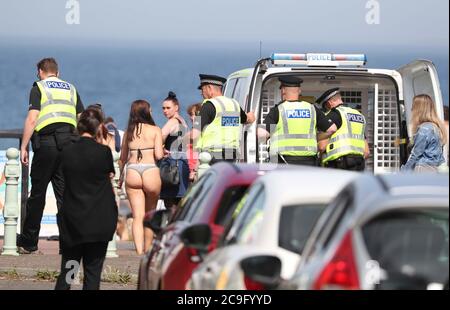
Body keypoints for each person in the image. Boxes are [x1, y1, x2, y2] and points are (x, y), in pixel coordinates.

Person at [18, 58, 84, 254]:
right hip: (69, 144)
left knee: (37, 195)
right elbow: (81, 118)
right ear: (58, 71)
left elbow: (32, 118)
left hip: (46, 145)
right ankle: (69, 244)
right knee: (65, 196)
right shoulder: (71, 88)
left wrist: (23, 146)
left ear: (40, 71)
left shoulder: (39, 87)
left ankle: (29, 243)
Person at [55, 108, 117, 290]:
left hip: (74, 223)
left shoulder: (67, 152)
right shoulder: (103, 152)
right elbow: (109, 175)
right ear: (98, 128)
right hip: (99, 221)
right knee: (92, 274)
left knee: (68, 271)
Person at [257, 77, 337, 165]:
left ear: (283, 90)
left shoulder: (278, 110)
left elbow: (262, 135)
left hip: (283, 162)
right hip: (309, 162)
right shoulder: (312, 108)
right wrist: (315, 138)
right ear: (299, 91)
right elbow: (332, 129)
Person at [119, 100, 164, 255]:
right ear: (146, 112)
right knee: (150, 215)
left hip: (132, 172)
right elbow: (158, 155)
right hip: (150, 170)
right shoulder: (155, 130)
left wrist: (119, 178)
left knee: (137, 216)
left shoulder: (128, 132)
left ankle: (138, 251)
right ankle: (148, 249)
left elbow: (123, 158)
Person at [192, 74, 255, 164]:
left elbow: (195, 134)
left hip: (212, 155)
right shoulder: (234, 104)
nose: (201, 93)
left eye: (202, 89)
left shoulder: (207, 106)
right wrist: (251, 115)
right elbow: (248, 119)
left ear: (210, 88)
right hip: (231, 155)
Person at [317, 88, 369, 171]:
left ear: (329, 103)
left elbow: (322, 146)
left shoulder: (334, 114)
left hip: (339, 163)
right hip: (359, 163)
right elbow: (366, 152)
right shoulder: (359, 115)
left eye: (325, 108)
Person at [159, 92, 190, 211]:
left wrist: (160, 148)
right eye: (163, 108)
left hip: (172, 164)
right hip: (183, 161)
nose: (165, 111)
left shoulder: (172, 122)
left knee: (170, 202)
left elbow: (160, 136)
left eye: (168, 108)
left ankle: (169, 225)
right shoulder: (182, 121)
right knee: (180, 200)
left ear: (176, 107)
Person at [401, 94, 447, 172]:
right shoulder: (436, 127)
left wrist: (404, 170)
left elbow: (415, 154)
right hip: (434, 169)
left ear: (418, 109)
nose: (411, 109)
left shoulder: (424, 129)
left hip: (423, 168)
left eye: (413, 106)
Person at [186, 103, 202, 182]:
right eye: (190, 115)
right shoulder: (194, 129)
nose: (191, 118)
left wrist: (194, 171)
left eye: (193, 115)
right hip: (190, 168)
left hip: (195, 169)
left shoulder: (198, 130)